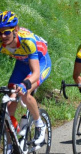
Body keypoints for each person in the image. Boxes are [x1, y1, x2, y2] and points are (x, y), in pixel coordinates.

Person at [0, 11, 51, 149]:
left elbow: (35, 73)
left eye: (6, 32)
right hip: (22, 64)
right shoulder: (1, 41)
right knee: (8, 107)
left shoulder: (27, 41)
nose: (3, 36)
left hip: (40, 62)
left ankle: (39, 125)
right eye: (0, 32)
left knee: (24, 92)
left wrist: (24, 84)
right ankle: (11, 145)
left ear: (15, 29)